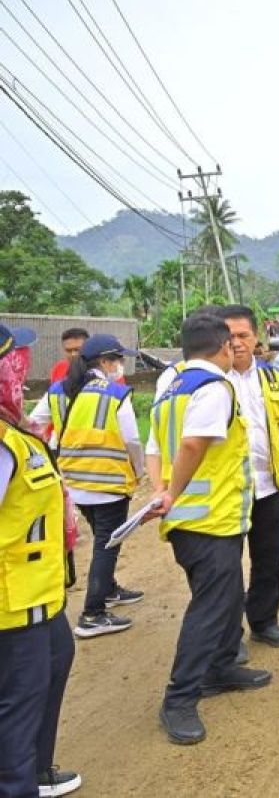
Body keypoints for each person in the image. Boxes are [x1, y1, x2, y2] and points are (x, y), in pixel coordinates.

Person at [144, 313, 271, 745]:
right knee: (211, 607)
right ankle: (179, 698)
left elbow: (154, 447)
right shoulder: (215, 387)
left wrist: (160, 489)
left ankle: (220, 668)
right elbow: (193, 444)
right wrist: (172, 494)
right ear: (221, 348)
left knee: (228, 595)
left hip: (203, 520)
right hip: (206, 520)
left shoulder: (171, 384)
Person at [0, 323, 83, 797]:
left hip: (37, 592)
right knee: (17, 704)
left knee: (57, 656)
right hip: (12, 604)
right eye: (15, 358)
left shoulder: (13, 426)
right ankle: (18, 781)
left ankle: (34, 769)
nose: (23, 366)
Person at [33, 334, 145, 639]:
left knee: (101, 538)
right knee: (107, 544)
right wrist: (139, 470)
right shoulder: (115, 393)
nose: (121, 366)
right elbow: (133, 440)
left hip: (73, 484)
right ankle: (92, 614)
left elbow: (32, 424)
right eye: (119, 360)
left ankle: (108, 589)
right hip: (108, 483)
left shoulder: (59, 390)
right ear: (106, 362)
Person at [215, 305, 279, 649]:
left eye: (243, 335)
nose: (236, 342)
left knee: (269, 558)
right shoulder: (212, 379)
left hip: (268, 487)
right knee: (226, 568)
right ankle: (228, 639)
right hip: (228, 491)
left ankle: (264, 622)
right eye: (229, 336)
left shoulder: (272, 377)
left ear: (256, 338)